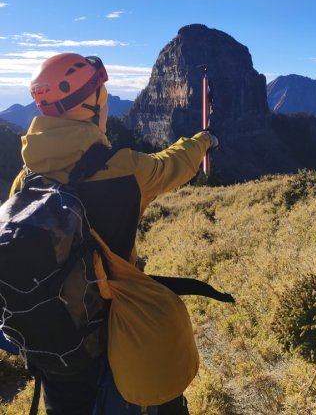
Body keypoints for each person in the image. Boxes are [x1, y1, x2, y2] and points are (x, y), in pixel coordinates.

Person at [10, 52, 218, 415]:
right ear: (92, 105)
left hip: (58, 348)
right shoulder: (125, 171)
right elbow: (173, 163)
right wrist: (203, 141)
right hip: (124, 340)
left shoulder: (25, 180)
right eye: (103, 97)